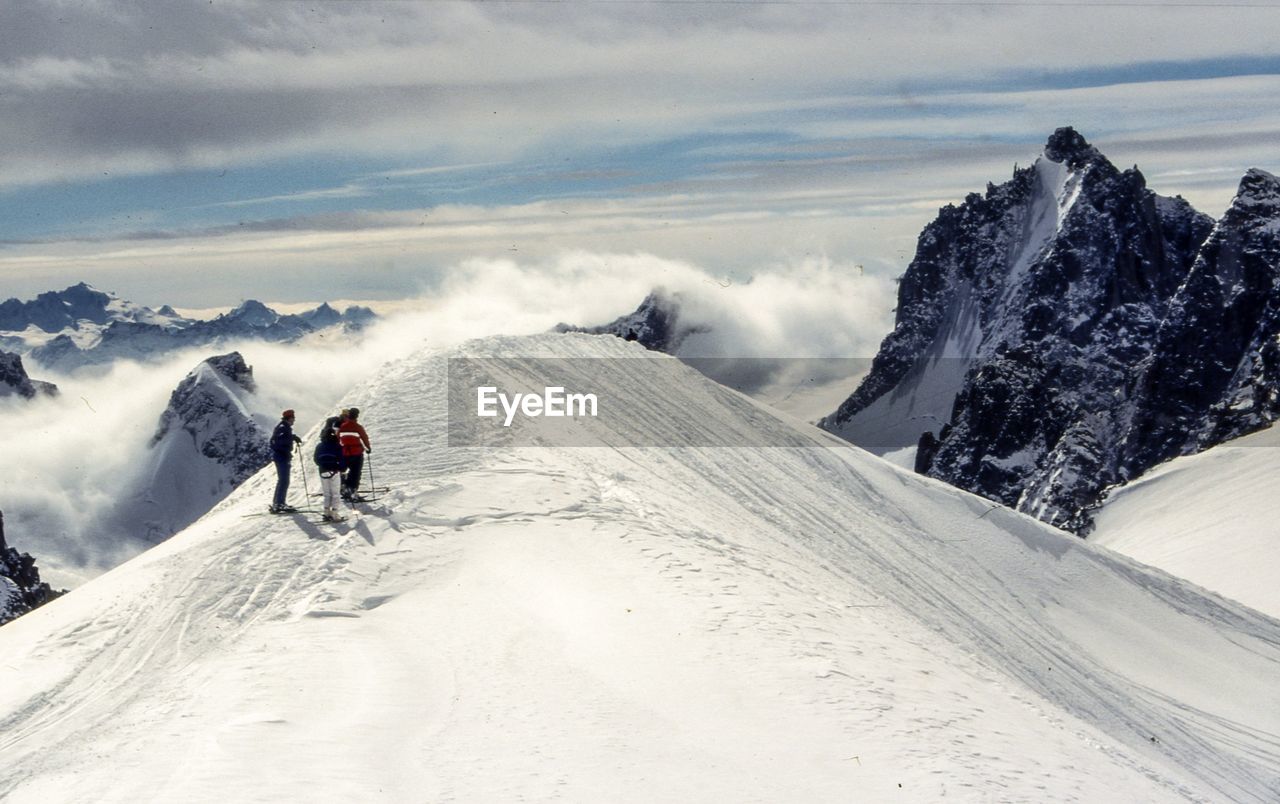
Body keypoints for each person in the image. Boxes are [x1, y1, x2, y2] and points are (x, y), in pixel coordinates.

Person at [269, 409, 302, 514]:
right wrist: (291, 438)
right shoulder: (284, 428)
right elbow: (279, 441)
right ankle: (279, 503)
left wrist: (292, 437)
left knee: (282, 480)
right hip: (282, 457)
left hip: (281, 456)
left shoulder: (283, 427)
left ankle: (277, 502)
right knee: (284, 480)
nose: (294, 420)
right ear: (289, 418)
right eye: (293, 418)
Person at [313, 416, 346, 522]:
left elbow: (316, 459)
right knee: (335, 493)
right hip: (334, 471)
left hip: (322, 471)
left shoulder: (319, 446)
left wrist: (322, 465)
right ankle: (335, 514)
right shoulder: (337, 446)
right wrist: (342, 468)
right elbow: (342, 459)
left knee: (327, 494)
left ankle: (326, 513)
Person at [338, 406, 372, 501]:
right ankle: (352, 491)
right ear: (356, 416)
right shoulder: (357, 427)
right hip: (356, 453)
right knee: (356, 472)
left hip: (345, 453)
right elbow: (364, 437)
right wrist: (368, 448)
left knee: (345, 471)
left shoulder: (343, 426)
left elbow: (338, 438)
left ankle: (345, 488)